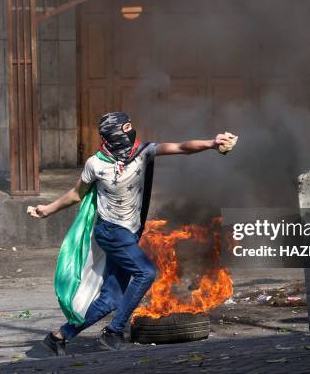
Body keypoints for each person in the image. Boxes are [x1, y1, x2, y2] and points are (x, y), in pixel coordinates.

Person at [31, 112, 232, 355]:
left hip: (129, 234)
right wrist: (47, 209)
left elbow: (181, 147)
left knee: (110, 299)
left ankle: (59, 336)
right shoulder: (95, 164)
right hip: (110, 232)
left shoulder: (142, 152)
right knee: (145, 272)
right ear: (117, 134)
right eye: (126, 128)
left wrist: (211, 143)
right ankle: (113, 332)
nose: (131, 132)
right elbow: (76, 194)